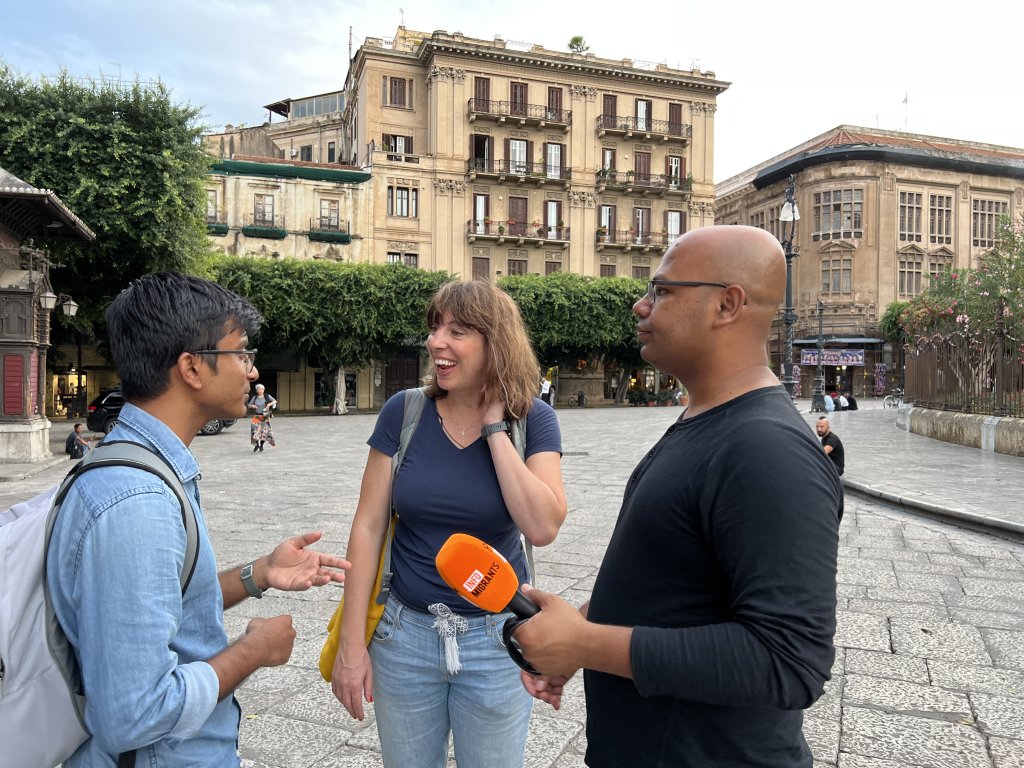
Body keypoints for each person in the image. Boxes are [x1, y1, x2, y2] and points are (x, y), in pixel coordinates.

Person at [513, 226, 842, 768]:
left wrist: (588, 646)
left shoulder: (766, 449)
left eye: (662, 291)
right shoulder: (706, 419)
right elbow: (668, 581)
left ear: (726, 304)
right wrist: (579, 630)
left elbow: (788, 660)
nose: (641, 306)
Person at [46, 273, 349, 767]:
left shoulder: (143, 465)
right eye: (242, 354)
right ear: (191, 367)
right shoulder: (137, 500)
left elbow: (167, 602)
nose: (251, 372)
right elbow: (134, 715)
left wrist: (259, 574)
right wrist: (254, 649)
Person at [331, 279, 567, 768]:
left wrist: (496, 427)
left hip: (496, 640)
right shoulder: (405, 412)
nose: (436, 341)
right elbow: (368, 527)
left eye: (456, 331)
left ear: (495, 344)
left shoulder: (534, 420)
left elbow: (542, 526)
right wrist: (353, 646)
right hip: (404, 636)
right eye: (435, 327)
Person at [248, 382, 277, 451]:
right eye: (258, 389)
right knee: (254, 431)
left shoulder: (267, 396)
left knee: (264, 432)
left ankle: (261, 446)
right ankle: (257, 445)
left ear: (263, 390)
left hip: (265, 415)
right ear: (257, 390)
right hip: (257, 416)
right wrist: (253, 406)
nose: (260, 391)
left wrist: (269, 404)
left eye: (261, 389)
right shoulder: (255, 397)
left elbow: (275, 401)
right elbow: (249, 405)